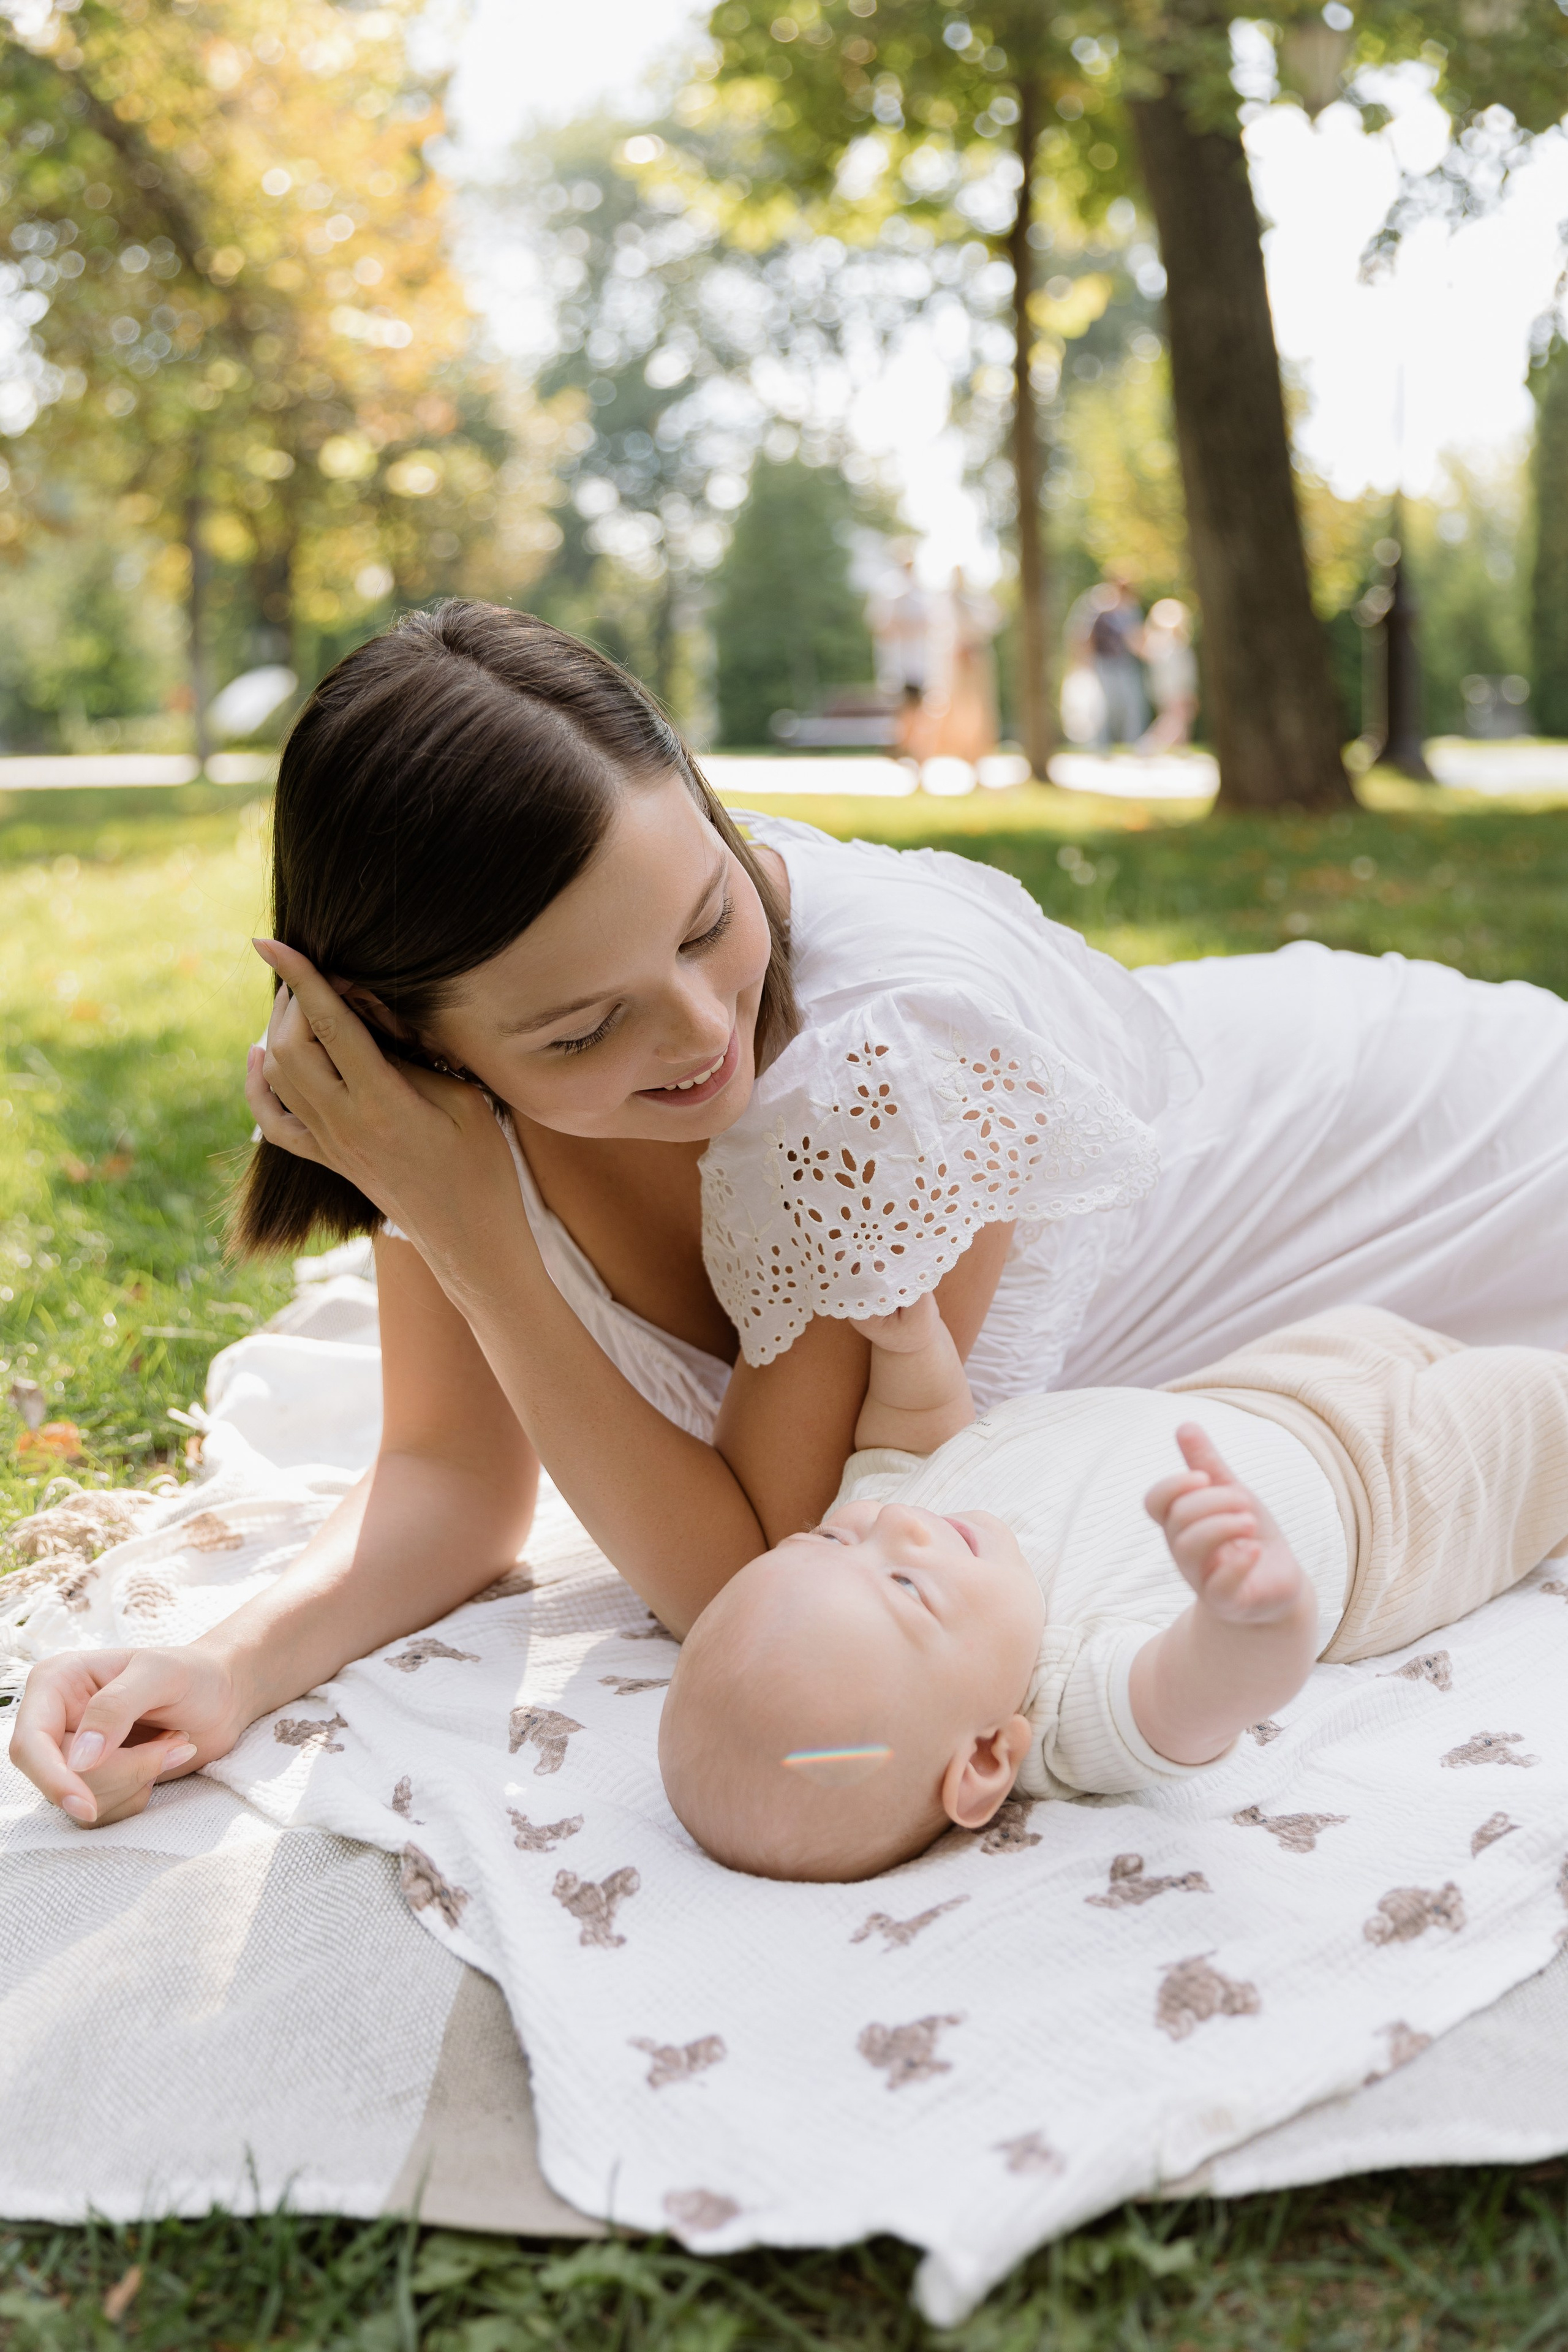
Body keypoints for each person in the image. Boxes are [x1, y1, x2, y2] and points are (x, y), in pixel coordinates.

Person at [15, 597, 1568, 1831]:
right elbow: (448, 1480)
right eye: (578, 1034)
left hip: (1453, 1155)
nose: (698, 1031)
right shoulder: (423, 1116)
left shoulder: (879, 1057)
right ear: (409, 1036)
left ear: (699, 797)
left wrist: (484, 1245)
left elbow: (751, 1572)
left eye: (709, 919)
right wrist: (232, 1664)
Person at [661, 1291, 1568, 1881]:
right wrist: (1249, 1612)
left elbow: (919, 1434)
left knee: (1408, 1323)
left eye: (831, 1535)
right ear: (984, 1758)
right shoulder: (1068, 1707)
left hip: (1254, 1387)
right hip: (1400, 1497)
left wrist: (913, 1350)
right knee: (1542, 1396)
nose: (892, 1526)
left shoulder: (906, 1516)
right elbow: (1201, 1692)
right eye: (905, 1585)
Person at [924, 568, 1003, 775]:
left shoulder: (977, 602)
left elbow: (990, 621)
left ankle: (975, 757)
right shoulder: (945, 602)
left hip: (973, 663)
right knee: (946, 709)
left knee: (978, 711)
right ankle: (932, 758)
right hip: (953, 666)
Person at [867, 543, 934, 764]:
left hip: (919, 662)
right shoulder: (889, 590)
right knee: (903, 708)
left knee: (918, 709)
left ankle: (911, 748)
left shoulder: (922, 591)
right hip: (899, 662)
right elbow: (880, 624)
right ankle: (903, 747)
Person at [1137, 598, 1199, 755]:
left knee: (1180, 721)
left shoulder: (1176, 644)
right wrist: (1181, 692)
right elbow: (1173, 672)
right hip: (1173, 690)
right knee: (1174, 721)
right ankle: (1149, 744)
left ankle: (1179, 750)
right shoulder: (1167, 645)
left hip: (1176, 689)